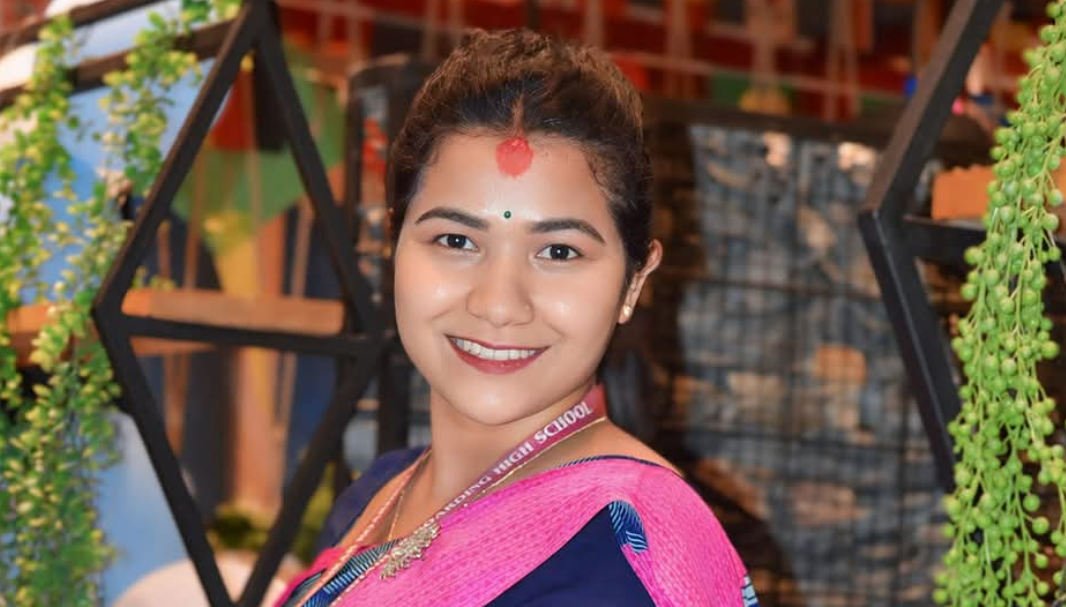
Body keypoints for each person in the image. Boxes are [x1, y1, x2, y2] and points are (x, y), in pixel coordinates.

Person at [277, 28, 757, 607]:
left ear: (634, 280)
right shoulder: (378, 495)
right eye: (456, 240)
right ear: (393, 245)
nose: (498, 304)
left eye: (558, 251)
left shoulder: (612, 553)